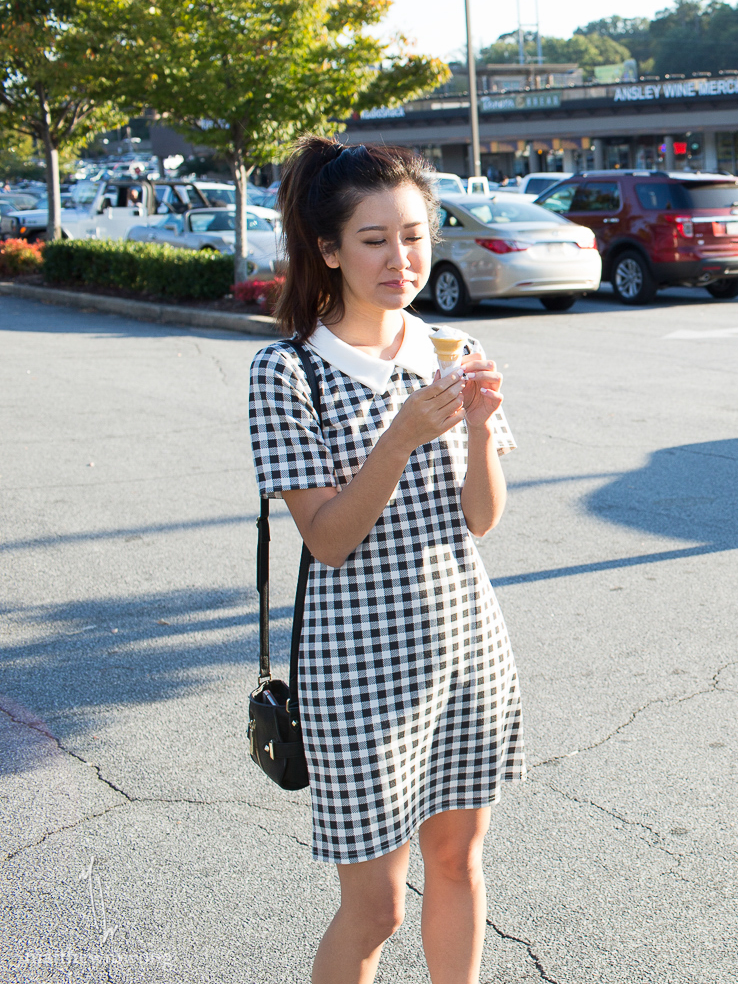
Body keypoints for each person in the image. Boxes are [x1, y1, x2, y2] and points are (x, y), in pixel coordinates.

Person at [249, 137, 523, 984]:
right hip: (357, 665)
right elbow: (327, 540)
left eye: (415, 234)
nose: (401, 258)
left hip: (465, 647)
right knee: (376, 907)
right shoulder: (287, 372)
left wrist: (478, 432)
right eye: (374, 239)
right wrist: (402, 437)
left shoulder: (447, 348)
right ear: (328, 249)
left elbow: (480, 518)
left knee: (458, 863)